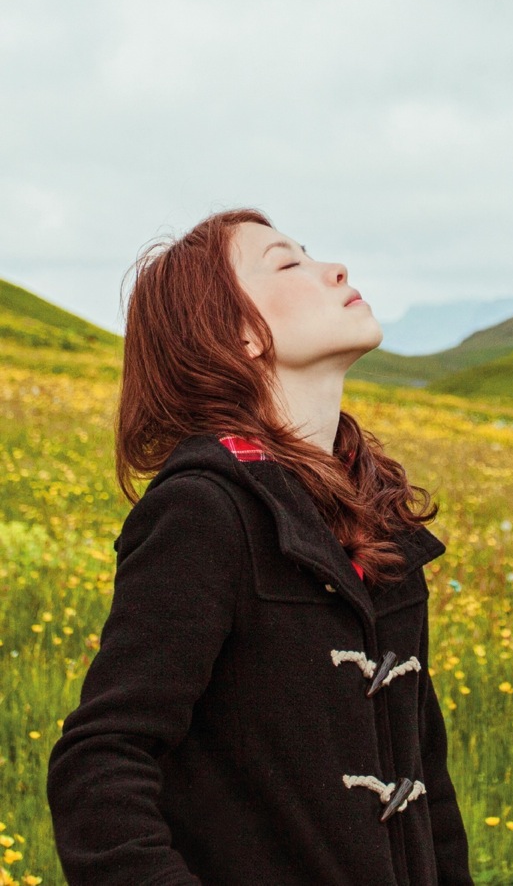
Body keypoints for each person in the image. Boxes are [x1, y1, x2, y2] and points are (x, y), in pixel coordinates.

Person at [47, 208, 474, 886]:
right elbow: (99, 764)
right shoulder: (205, 510)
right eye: (287, 262)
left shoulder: (378, 523)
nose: (334, 269)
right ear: (239, 332)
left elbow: (425, 785)